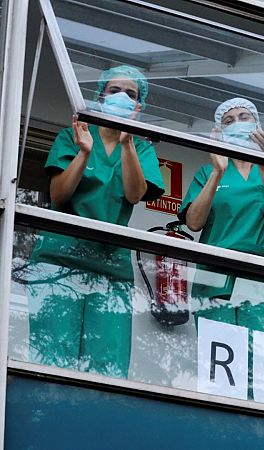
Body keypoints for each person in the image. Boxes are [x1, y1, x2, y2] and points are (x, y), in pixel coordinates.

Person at [27, 65, 165, 378]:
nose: (121, 97)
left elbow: (134, 194)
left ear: (138, 106)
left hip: (110, 266)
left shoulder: (141, 148)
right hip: (59, 260)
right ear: (99, 96)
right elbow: (59, 195)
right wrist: (85, 152)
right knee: (52, 358)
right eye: (114, 91)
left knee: (107, 364)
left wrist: (128, 143)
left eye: (130, 94)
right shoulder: (73, 137)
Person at [179, 97, 264, 339]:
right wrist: (218, 171)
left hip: (263, 283)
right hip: (215, 283)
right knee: (218, 368)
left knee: (259, 368)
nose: (237, 123)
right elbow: (194, 222)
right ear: (220, 132)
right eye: (229, 121)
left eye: (243, 117)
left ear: (257, 125)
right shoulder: (207, 173)